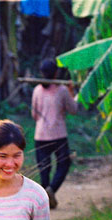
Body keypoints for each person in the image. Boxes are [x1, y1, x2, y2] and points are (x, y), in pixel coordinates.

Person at [31, 58, 78, 209]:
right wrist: (72, 92)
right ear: (56, 73)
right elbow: (73, 109)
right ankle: (51, 190)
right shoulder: (62, 90)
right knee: (64, 164)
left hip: (40, 134)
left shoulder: (37, 90)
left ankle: (46, 197)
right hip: (58, 134)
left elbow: (34, 114)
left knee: (44, 167)